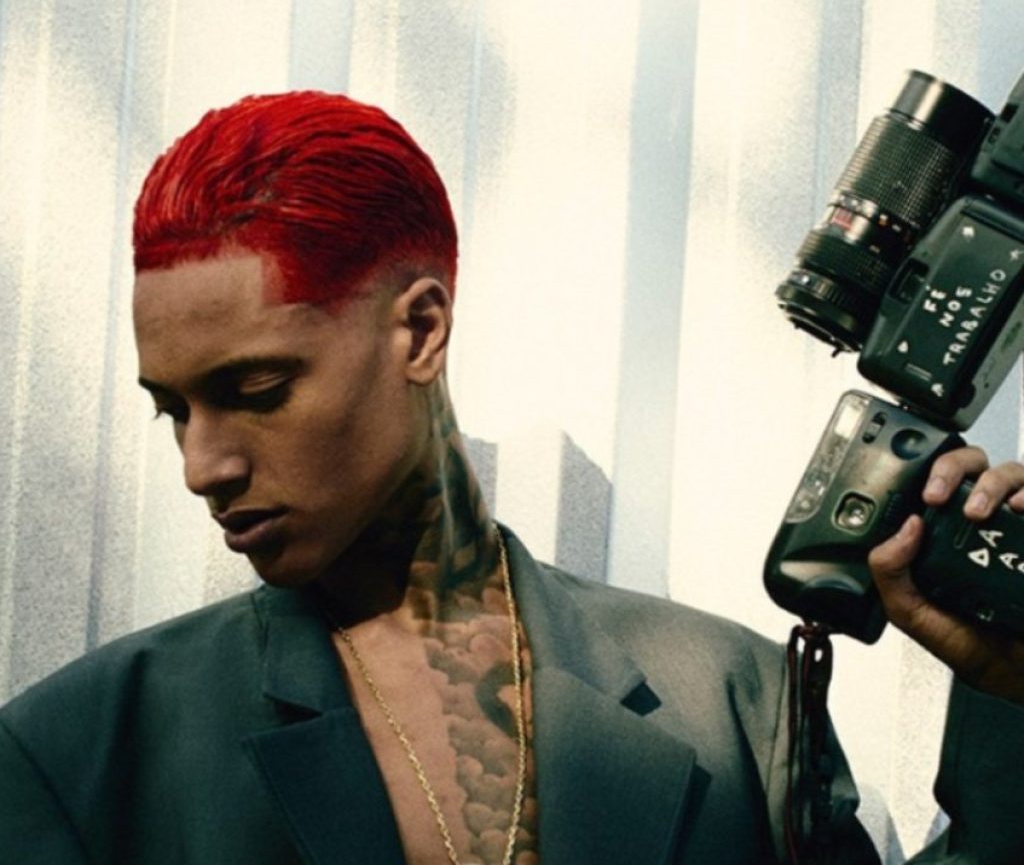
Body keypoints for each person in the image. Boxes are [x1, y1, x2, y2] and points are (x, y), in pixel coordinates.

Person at [1, 90, 1023, 865]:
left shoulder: (734, 700)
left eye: (257, 390)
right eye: (174, 410)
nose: (202, 466)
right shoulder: (78, 753)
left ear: (419, 330)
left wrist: (1012, 691)